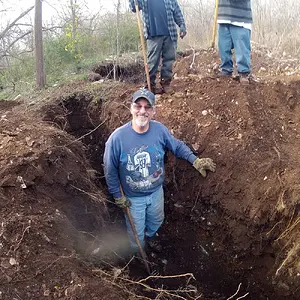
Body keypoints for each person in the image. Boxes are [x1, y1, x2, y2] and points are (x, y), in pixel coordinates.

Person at [103, 88, 216, 254]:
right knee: (136, 234)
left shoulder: (159, 130)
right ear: (131, 108)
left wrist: (195, 161)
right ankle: (139, 256)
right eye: (138, 106)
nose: (142, 111)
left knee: (157, 220)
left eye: (147, 107)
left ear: (153, 111)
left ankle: (150, 237)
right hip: (133, 199)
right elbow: (110, 170)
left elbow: (176, 146)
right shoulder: (117, 139)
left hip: (156, 192)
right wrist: (117, 196)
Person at [129, 0, 187, 94]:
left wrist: (182, 25)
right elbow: (134, 7)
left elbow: (177, 11)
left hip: (170, 33)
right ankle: (149, 85)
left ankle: (166, 83)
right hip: (153, 35)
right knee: (152, 61)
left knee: (169, 60)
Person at [217, 0, 253, 84]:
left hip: (241, 18)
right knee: (223, 46)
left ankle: (243, 72)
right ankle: (226, 69)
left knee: (242, 47)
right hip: (223, 16)